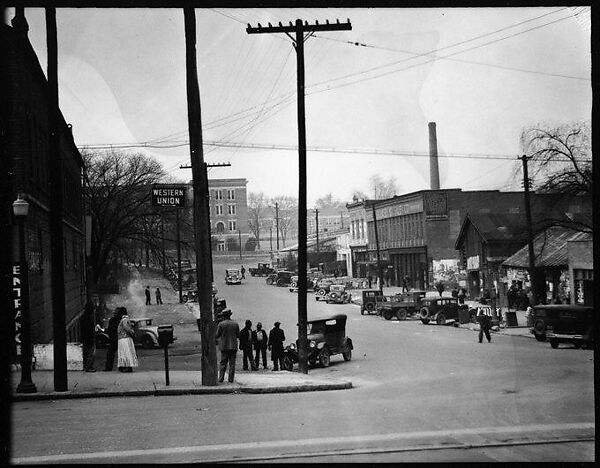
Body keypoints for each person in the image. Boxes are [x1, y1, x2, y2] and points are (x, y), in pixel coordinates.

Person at [215, 309, 240, 383]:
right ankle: (231, 379)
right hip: (233, 346)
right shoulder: (235, 324)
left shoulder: (221, 324)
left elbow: (217, 335)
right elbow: (238, 335)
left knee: (223, 363)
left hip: (224, 346)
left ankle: (221, 378)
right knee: (232, 364)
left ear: (224, 316)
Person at [81, 301, 97, 372]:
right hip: (89, 339)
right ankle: (89, 367)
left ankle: (87, 367)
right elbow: (89, 330)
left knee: (87, 354)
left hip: (85, 339)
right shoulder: (88, 318)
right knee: (91, 354)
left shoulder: (84, 317)